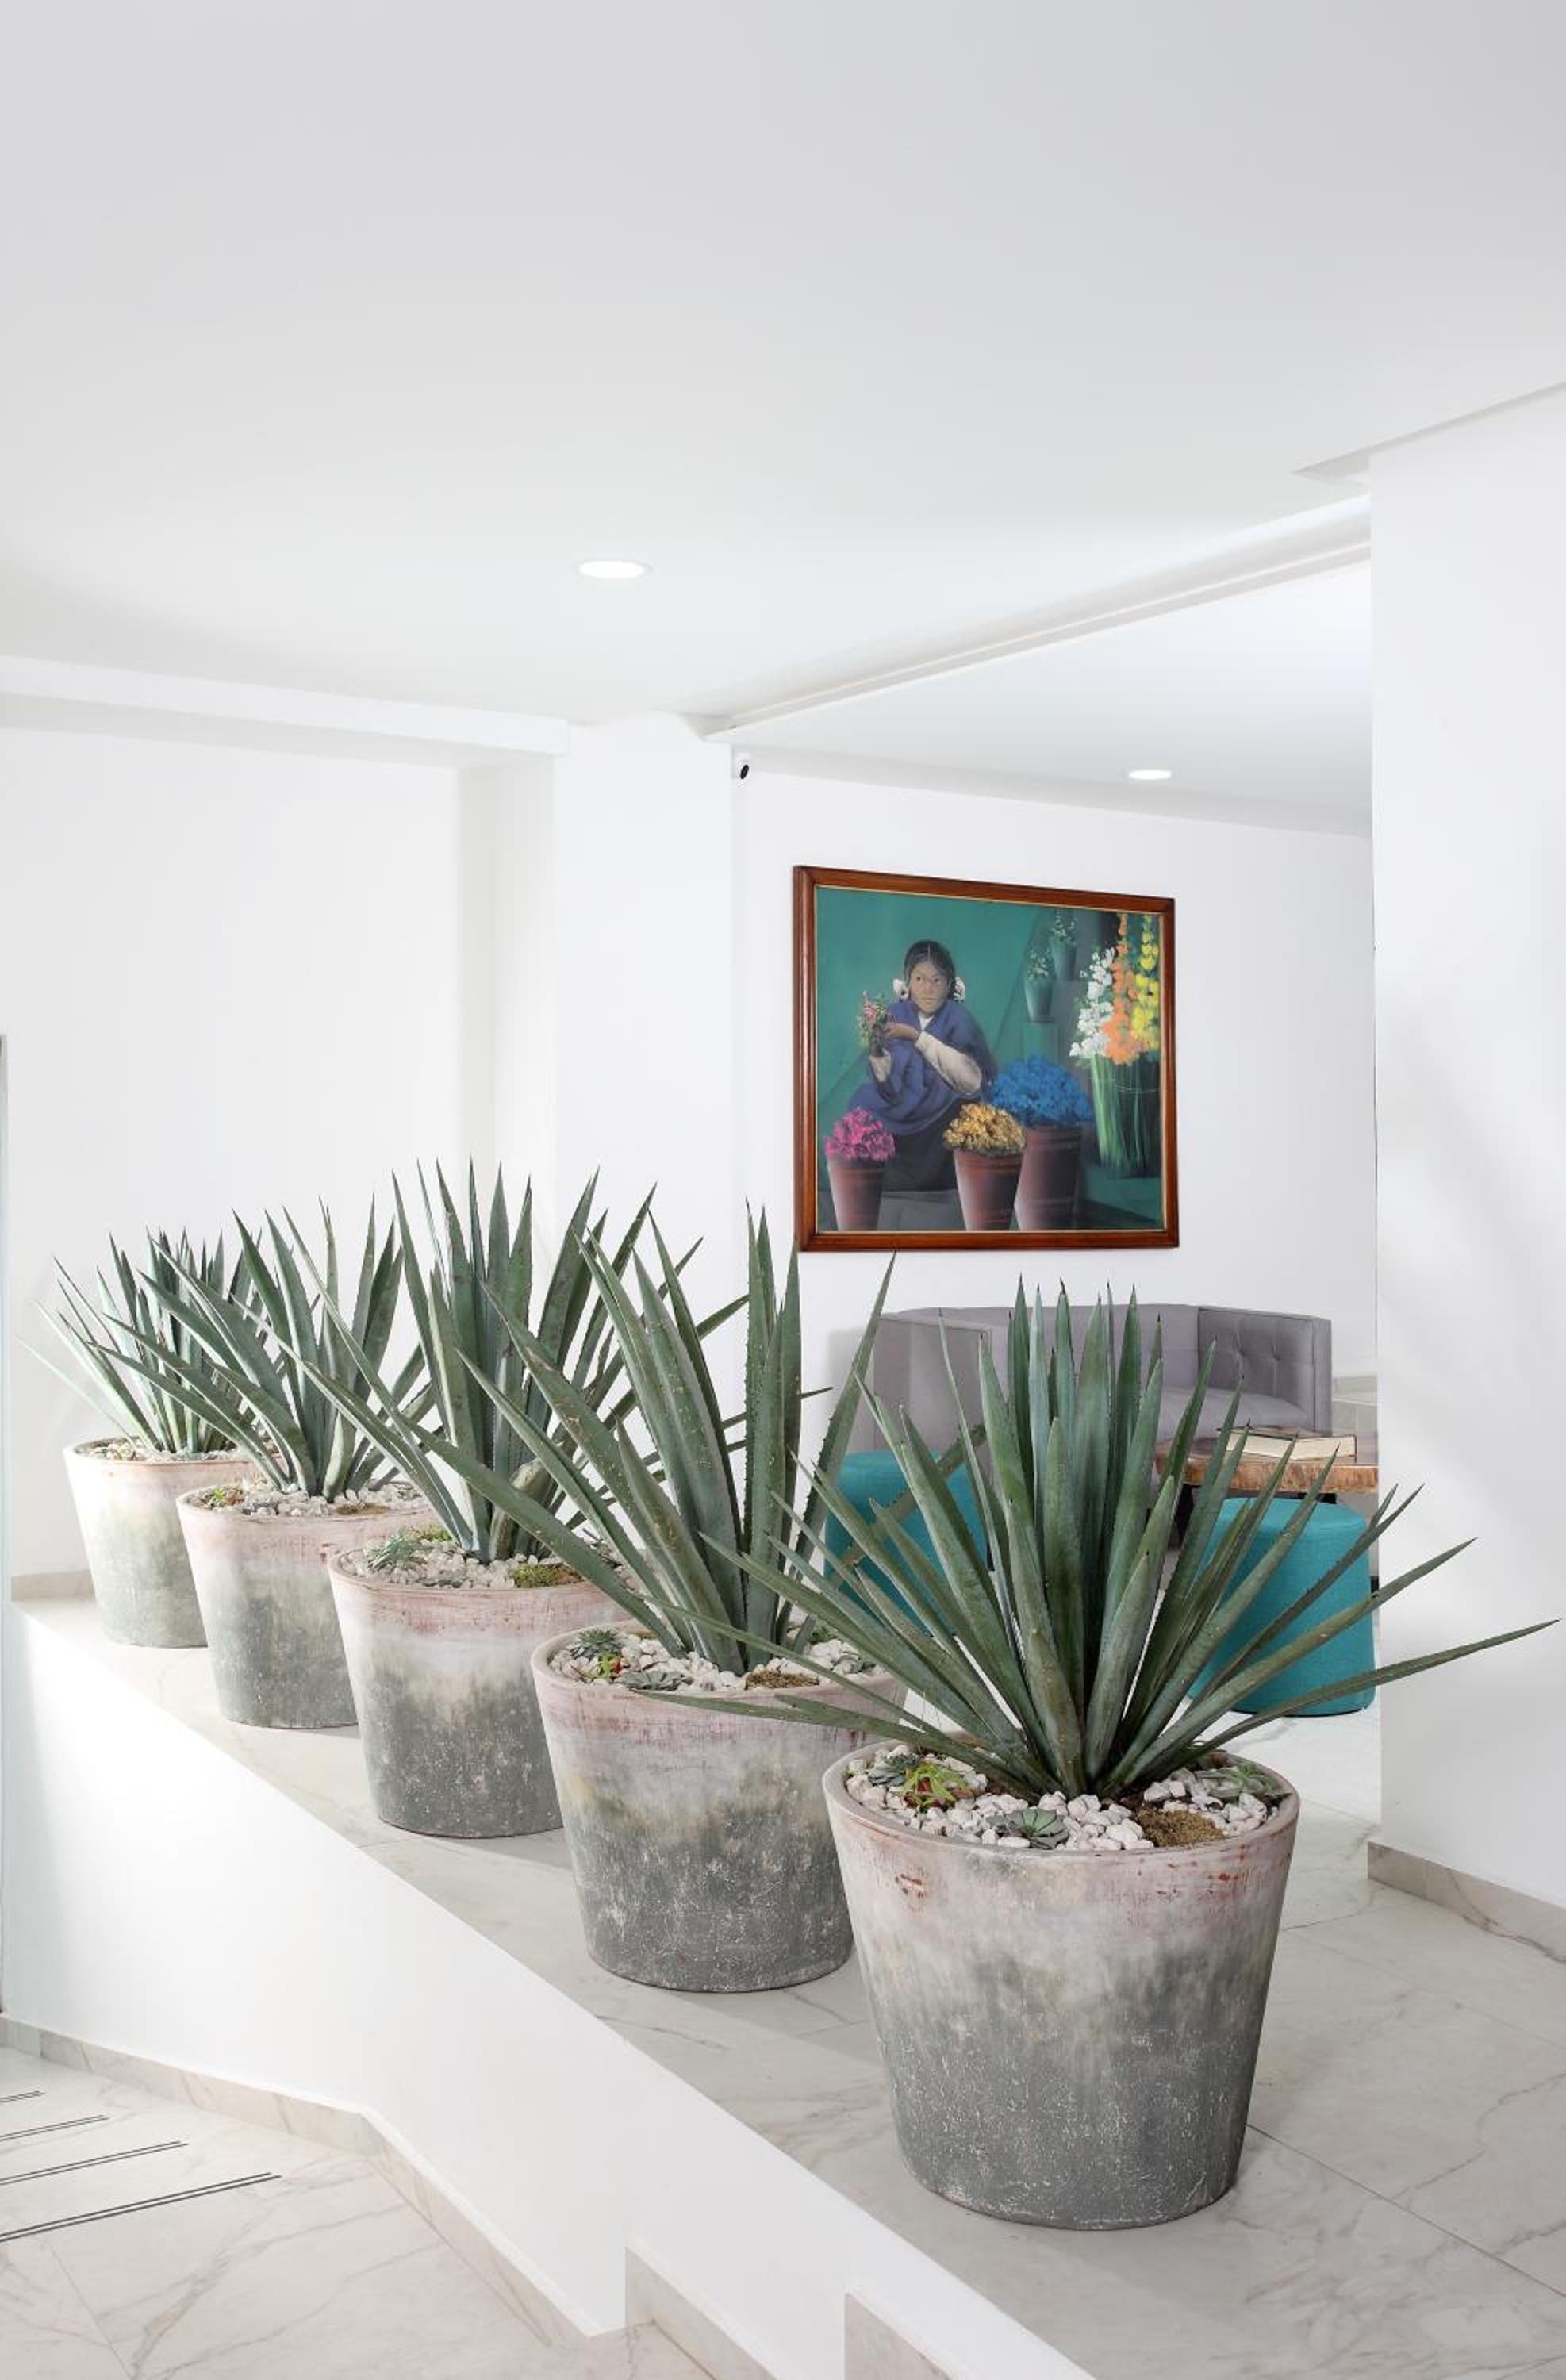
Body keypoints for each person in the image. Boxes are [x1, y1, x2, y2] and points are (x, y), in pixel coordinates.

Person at [853, 938, 996, 1192]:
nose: (928, 989)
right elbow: (886, 1082)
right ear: (908, 982)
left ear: (949, 984)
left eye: (936, 980)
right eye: (920, 979)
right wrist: (876, 1049)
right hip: (900, 1107)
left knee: (960, 1111)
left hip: (941, 1117)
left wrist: (915, 1037)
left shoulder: (958, 1018)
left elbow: (972, 1080)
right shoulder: (895, 1013)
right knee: (861, 1101)